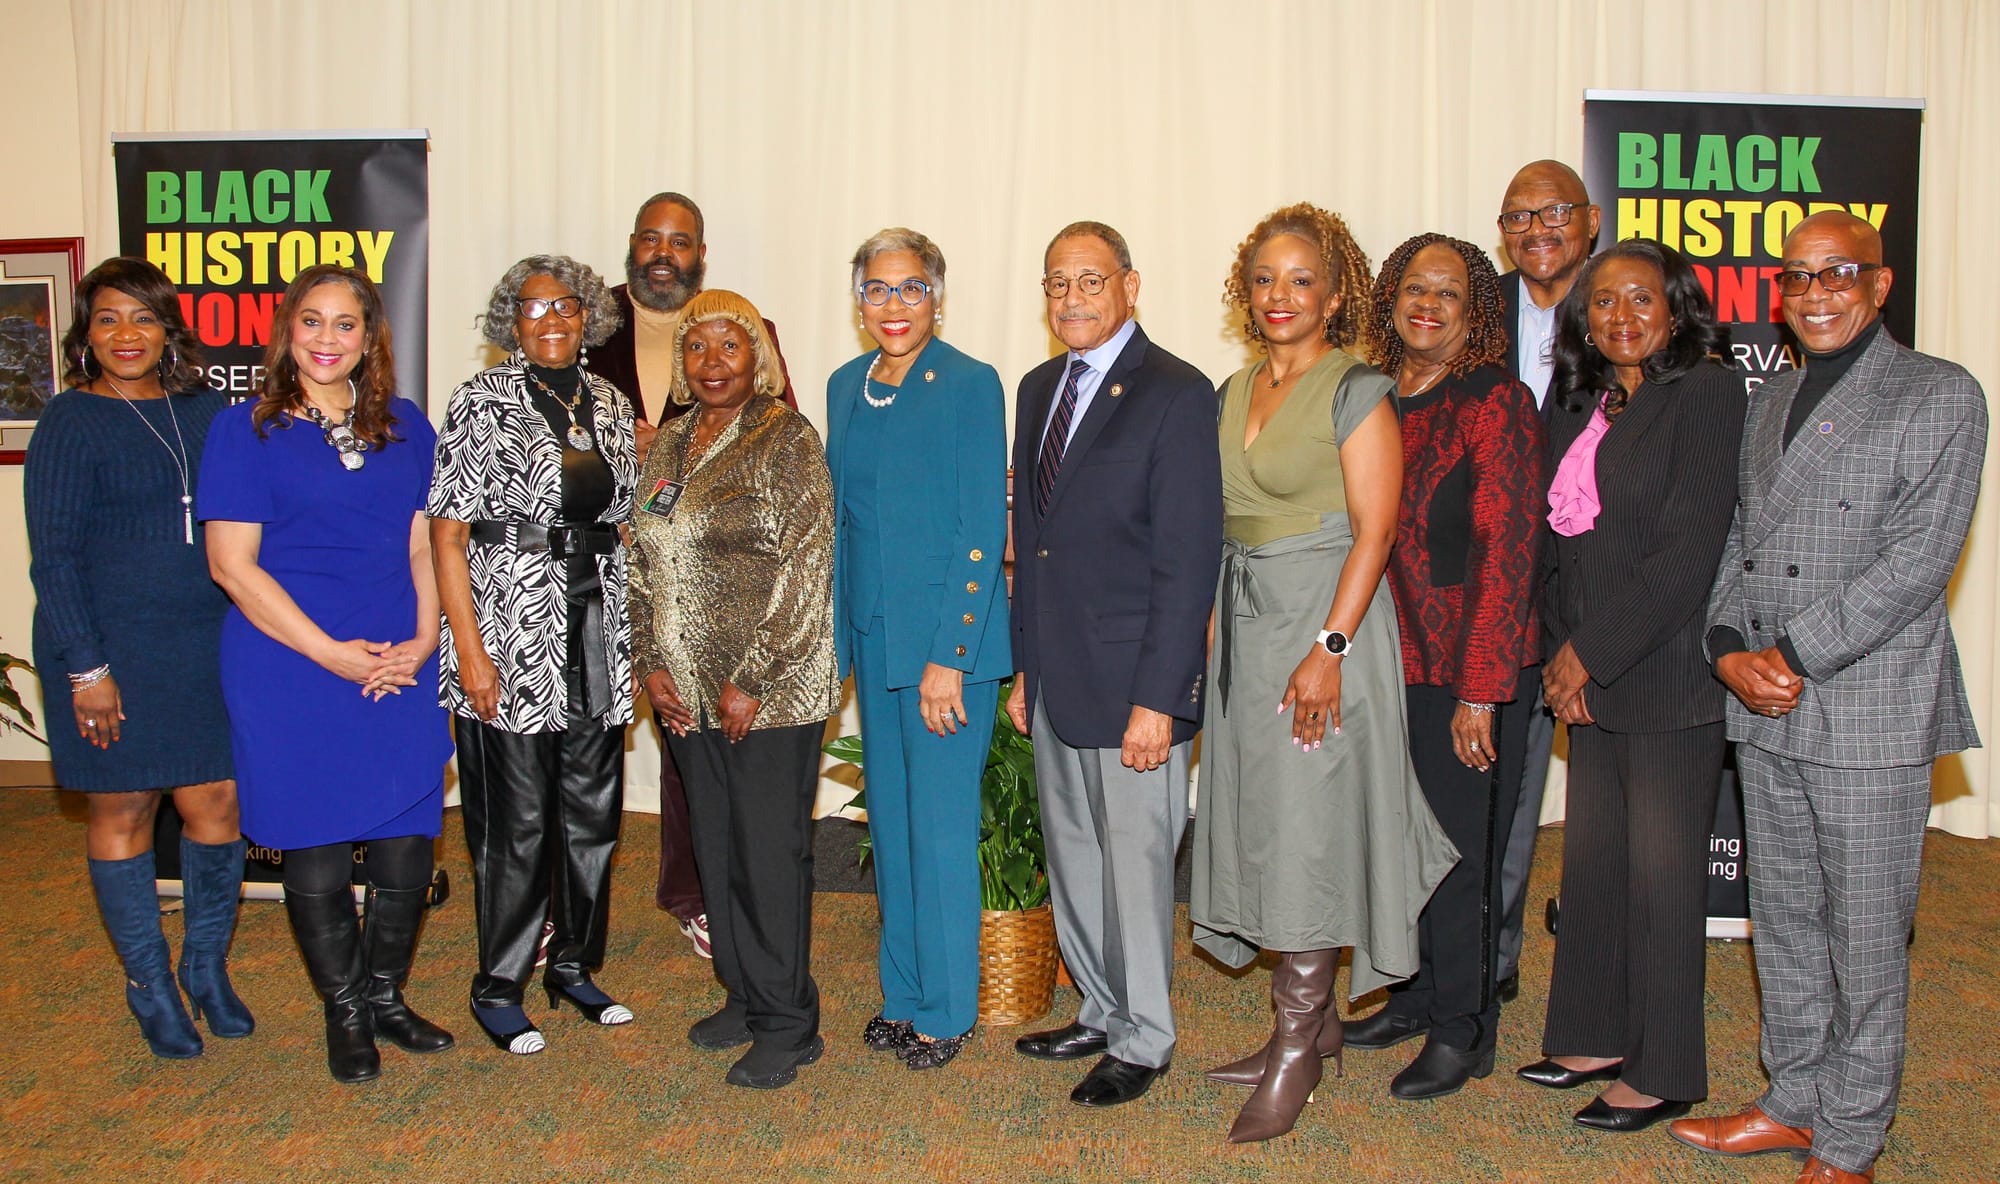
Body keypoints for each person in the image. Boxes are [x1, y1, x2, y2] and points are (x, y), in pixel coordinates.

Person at [1670, 212, 1986, 1184]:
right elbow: (1741, 540)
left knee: (1865, 937)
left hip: (1864, 706)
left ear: (1879, 285)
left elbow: (1917, 563)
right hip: (1764, 701)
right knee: (1786, 920)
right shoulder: (1773, 395)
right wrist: (1725, 647)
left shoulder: (1940, 393)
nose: (1814, 293)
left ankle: (1850, 1137)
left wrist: (1792, 653)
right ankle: (1792, 1100)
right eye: (1797, 276)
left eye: (1836, 273)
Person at [1188, 206, 1456, 1141]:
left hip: (1324, 631)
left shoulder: (1358, 390)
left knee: (1309, 829)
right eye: (1264, 278)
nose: (1280, 295)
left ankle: (1298, 1047)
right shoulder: (1233, 389)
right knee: (1266, 820)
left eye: (1302, 279)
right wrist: (1214, 623)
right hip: (1248, 628)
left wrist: (1328, 649)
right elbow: (1225, 520)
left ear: (1335, 295)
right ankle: (1311, 1027)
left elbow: (1376, 532)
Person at [201, 264, 454, 1082]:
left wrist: (423, 639)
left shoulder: (405, 425)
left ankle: (385, 997)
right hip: (290, 663)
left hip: (396, 658)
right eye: (312, 320)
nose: (327, 339)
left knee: (406, 844)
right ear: (287, 329)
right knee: (315, 844)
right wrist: (330, 654)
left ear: (369, 336)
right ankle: (344, 1012)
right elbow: (232, 566)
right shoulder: (245, 429)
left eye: (346, 324)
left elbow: (424, 544)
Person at [1520, 239, 1743, 1133]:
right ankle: (1590, 1035)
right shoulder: (1584, 398)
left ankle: (1663, 1069)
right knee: (1594, 866)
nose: (1621, 315)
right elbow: (1555, 544)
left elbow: (1689, 552)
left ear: (1676, 308)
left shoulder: (1709, 394)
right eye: (1603, 300)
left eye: (1641, 298)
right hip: (1589, 673)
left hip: (1667, 676)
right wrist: (1560, 657)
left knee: (1662, 882)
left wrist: (1589, 654)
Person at [1007, 221, 1222, 1110]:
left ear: (1130, 286)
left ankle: (1145, 1038)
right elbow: (1034, 543)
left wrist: (1160, 699)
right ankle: (1099, 1009)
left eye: (1090, 281)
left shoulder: (1177, 392)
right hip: (1057, 676)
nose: (1072, 299)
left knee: (1135, 866)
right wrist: (1025, 668)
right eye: (1058, 283)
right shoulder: (1037, 388)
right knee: (1076, 859)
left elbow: (1188, 558)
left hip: (1135, 682)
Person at [26, 257, 247, 1060]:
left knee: (217, 801)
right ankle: (149, 983)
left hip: (203, 639)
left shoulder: (208, 411)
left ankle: (205, 966)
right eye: (108, 318)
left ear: (168, 331)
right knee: (124, 806)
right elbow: (53, 559)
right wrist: (86, 668)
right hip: (109, 645)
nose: (127, 334)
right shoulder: (69, 419)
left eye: (143, 317)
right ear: (86, 334)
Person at [1344, 233, 1546, 1101]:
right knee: (1405, 844)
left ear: (1477, 314)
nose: (1427, 306)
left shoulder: (1495, 400)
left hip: (1470, 669)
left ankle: (1466, 1029)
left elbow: (1509, 550)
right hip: (1391, 664)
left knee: (1464, 855)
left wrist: (1481, 692)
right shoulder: (1375, 396)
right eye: (1414, 289)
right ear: (1390, 298)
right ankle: (1419, 995)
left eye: (1449, 294)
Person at [627, 289, 838, 1090]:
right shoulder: (671, 441)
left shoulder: (786, 437)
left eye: (730, 345)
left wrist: (750, 680)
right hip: (684, 693)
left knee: (768, 856)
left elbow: (807, 566)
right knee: (716, 849)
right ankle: (745, 996)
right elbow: (639, 560)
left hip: (769, 696)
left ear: (759, 356)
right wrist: (650, 663)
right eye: (697, 346)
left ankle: (789, 1024)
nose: (712, 362)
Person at [431, 255, 639, 1056]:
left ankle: (574, 966)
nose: (551, 320)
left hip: (596, 630)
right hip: (510, 629)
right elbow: (448, 534)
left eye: (566, 306)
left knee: (592, 812)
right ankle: (499, 984)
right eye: (533, 307)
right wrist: (470, 651)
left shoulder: (610, 402)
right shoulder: (480, 399)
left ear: (589, 316)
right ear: (510, 322)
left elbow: (624, 518)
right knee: (516, 823)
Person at [584, 190, 797, 960]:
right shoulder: (588, 324)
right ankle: (566, 910)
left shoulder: (741, 326)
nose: (663, 254)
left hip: (705, 579)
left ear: (700, 254)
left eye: (680, 241)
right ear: (632, 244)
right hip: (592, 563)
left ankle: (696, 893)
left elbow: (777, 436)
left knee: (691, 735)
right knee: (586, 745)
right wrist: (623, 443)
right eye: (652, 238)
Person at [825, 229, 1009, 1070]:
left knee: (938, 831)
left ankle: (948, 1007)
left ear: (936, 296)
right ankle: (902, 993)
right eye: (877, 289)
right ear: (858, 299)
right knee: (893, 827)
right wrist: (836, 645)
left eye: (910, 288)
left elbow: (981, 529)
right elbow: (843, 525)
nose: (893, 305)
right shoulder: (846, 386)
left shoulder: (969, 383)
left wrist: (950, 657)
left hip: (943, 649)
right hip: (875, 639)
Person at [1492, 159, 1601, 1004]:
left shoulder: (1625, 307)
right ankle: (1475, 962)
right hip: (1487, 594)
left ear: (1590, 220)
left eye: (1555, 211)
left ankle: (1584, 978)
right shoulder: (1472, 307)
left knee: (1588, 807)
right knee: (1487, 790)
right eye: (1519, 216)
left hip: (1594, 597)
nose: (1538, 229)